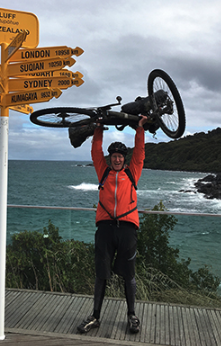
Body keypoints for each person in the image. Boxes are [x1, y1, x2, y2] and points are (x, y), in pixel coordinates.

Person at [77, 115, 148, 334]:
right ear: (110, 158)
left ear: (124, 159)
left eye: (120, 157)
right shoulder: (104, 172)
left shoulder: (132, 173)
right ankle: (95, 316)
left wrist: (140, 129)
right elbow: (95, 152)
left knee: (129, 274)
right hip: (105, 228)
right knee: (101, 273)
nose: (117, 160)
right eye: (114, 156)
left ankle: (132, 316)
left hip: (127, 228)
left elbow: (140, 152)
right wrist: (98, 129)